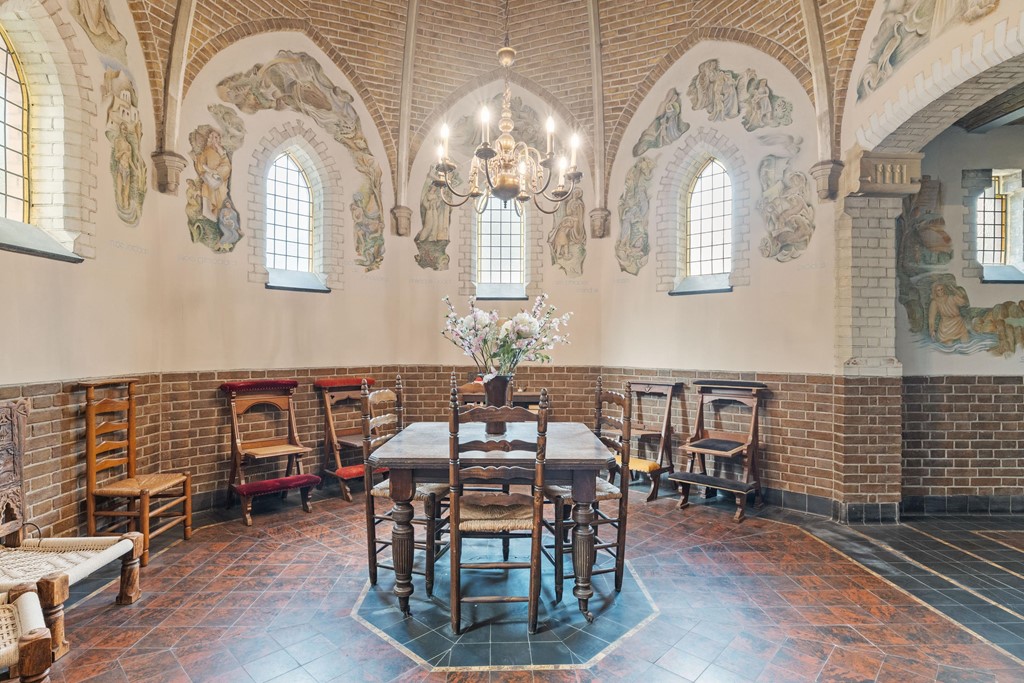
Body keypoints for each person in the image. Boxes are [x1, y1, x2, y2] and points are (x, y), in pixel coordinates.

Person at [194, 129, 231, 221]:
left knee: (220, 200)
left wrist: (217, 172)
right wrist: (209, 171)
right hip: (210, 180)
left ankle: (217, 218)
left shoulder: (222, 152)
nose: (216, 139)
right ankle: (211, 217)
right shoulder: (206, 151)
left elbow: (227, 166)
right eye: (214, 137)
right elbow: (201, 165)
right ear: (210, 139)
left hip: (220, 180)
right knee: (210, 200)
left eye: (217, 137)